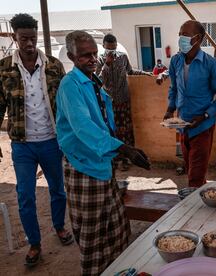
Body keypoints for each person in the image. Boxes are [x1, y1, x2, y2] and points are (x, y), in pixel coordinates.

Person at [56, 31, 150, 275]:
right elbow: (83, 128)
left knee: (116, 227)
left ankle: (117, 270)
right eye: (85, 55)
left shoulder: (93, 81)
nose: (92, 59)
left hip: (102, 164)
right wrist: (124, 148)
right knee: (93, 234)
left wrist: (117, 149)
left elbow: (104, 122)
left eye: (94, 54)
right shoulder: (70, 85)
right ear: (71, 56)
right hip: (84, 167)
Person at [0, 13, 73, 267]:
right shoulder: (3, 68)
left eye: (33, 38)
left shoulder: (54, 65)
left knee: (57, 190)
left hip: (52, 141)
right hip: (22, 145)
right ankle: (34, 242)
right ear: (14, 37)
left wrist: (71, 136)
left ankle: (60, 227)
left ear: (37, 36)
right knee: (25, 195)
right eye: (23, 39)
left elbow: (65, 104)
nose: (29, 44)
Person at [163, 20, 216, 188]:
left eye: (184, 35)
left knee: (195, 175)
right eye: (179, 34)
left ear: (197, 38)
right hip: (182, 124)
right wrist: (170, 109)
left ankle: (197, 206)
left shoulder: (211, 64)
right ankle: (202, 195)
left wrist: (205, 115)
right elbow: (174, 88)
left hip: (202, 126)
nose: (180, 38)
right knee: (191, 167)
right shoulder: (176, 61)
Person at [96, 34, 151, 171]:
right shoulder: (99, 61)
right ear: (103, 47)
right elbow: (97, 81)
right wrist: (107, 65)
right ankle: (115, 159)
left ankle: (127, 158)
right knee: (111, 130)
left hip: (123, 100)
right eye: (109, 49)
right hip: (108, 102)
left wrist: (145, 74)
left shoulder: (122, 57)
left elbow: (131, 71)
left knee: (126, 130)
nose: (111, 52)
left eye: (113, 48)